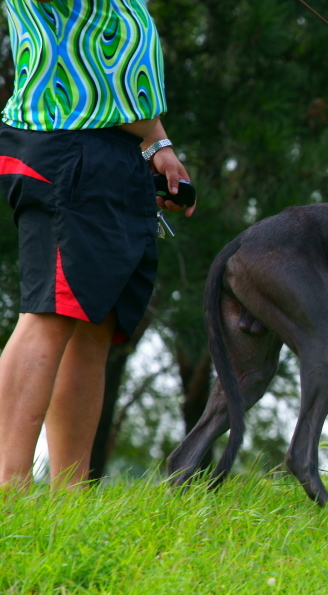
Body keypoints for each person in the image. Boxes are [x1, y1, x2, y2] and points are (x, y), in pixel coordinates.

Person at [0, 0, 193, 490]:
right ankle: (7, 490)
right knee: (49, 314)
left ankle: (71, 499)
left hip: (114, 144)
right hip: (65, 139)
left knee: (95, 324)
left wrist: (156, 142)